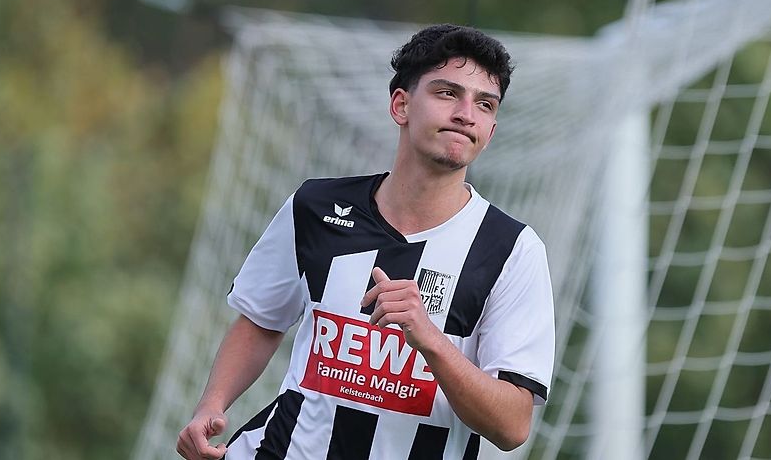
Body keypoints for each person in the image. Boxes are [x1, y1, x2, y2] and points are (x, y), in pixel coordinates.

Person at [176, 24, 555, 460]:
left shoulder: (514, 249)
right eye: (447, 93)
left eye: (484, 104)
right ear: (401, 105)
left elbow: (512, 426)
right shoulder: (315, 206)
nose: (466, 113)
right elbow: (262, 320)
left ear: (490, 131)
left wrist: (430, 340)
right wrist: (212, 403)